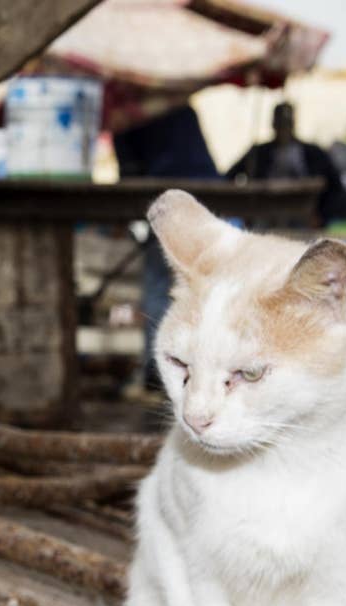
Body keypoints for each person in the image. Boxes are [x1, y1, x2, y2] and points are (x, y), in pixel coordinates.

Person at [113, 105, 220, 391]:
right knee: (204, 284)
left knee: (160, 285)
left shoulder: (126, 114)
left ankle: (157, 373)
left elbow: (130, 175)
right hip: (208, 195)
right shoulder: (181, 105)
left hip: (172, 197)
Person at [226, 102, 345, 226]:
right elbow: (229, 177)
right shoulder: (258, 153)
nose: (283, 129)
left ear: (293, 124)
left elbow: (335, 186)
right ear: (273, 125)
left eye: (286, 124)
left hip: (302, 215)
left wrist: (322, 215)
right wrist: (245, 210)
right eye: (280, 124)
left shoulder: (313, 153)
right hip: (265, 214)